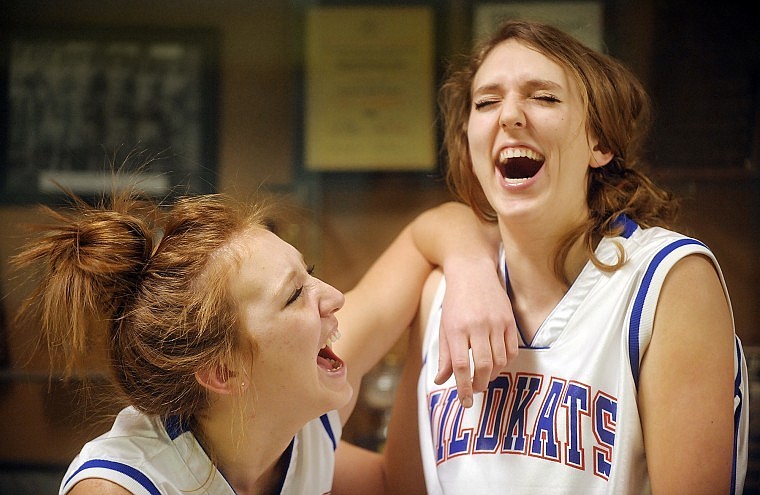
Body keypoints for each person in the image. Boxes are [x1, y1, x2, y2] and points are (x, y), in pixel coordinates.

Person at [382, 19, 749, 494]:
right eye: (487, 102)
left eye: (544, 97)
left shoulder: (669, 282)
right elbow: (399, 483)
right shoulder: (440, 295)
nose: (508, 116)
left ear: (600, 143)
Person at [12, 186, 511, 495]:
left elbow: (436, 226)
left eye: (309, 273)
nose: (334, 297)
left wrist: (470, 273)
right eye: (295, 294)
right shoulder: (120, 487)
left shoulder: (297, 403)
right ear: (223, 371)